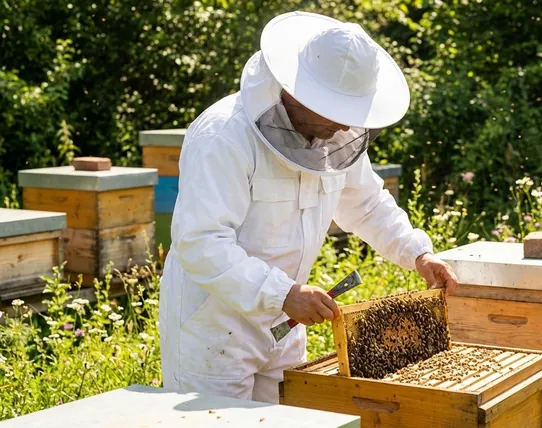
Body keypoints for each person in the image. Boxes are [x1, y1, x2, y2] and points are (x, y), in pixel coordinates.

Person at [158, 11, 459, 404]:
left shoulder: (336, 137)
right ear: (297, 91)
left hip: (285, 323)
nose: (341, 127)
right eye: (332, 113)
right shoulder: (225, 135)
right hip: (215, 328)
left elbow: (367, 204)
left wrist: (417, 253)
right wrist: (282, 292)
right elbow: (201, 242)